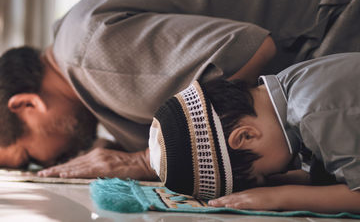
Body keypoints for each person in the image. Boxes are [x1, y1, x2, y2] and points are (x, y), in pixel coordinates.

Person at [0, 0, 359, 180]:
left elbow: (250, 51)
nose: (48, 163)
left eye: (29, 155)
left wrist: (142, 161)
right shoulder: (74, 47)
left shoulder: (91, 59)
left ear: (26, 105)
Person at [148, 52, 360, 213]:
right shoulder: (291, 86)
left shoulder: (311, 113)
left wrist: (280, 197)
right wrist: (305, 180)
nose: (280, 173)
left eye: (264, 175)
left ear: (246, 136)